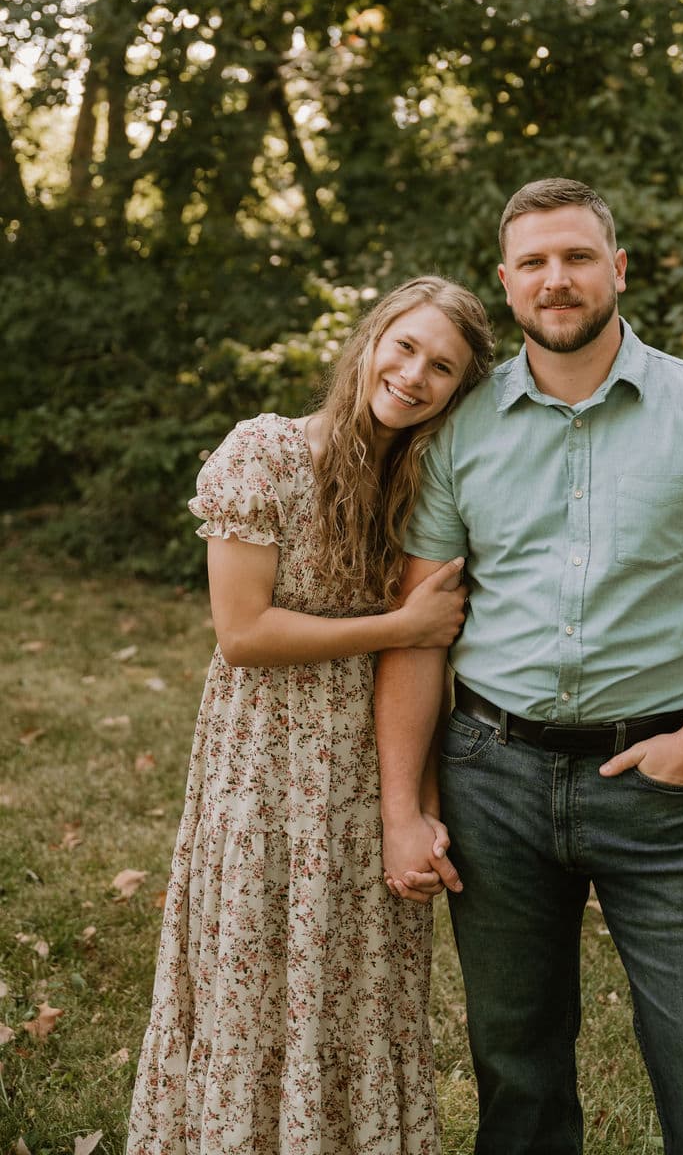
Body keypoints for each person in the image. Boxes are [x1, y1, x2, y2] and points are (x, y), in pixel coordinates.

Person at [375, 180, 683, 1155]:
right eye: (533, 262)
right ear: (506, 284)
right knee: (516, 1069)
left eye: (577, 256)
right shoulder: (461, 424)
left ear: (617, 269)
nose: (557, 278)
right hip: (491, 778)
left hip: (659, 790)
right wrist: (401, 808)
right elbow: (418, 633)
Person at [127, 276, 493, 1155]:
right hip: (264, 760)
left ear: (459, 390)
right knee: (256, 969)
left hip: (370, 766)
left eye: (442, 367)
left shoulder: (425, 489)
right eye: (405, 347)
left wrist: (420, 805)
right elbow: (243, 632)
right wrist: (398, 625)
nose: (414, 375)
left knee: (357, 980)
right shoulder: (265, 452)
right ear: (371, 341)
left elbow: (427, 663)